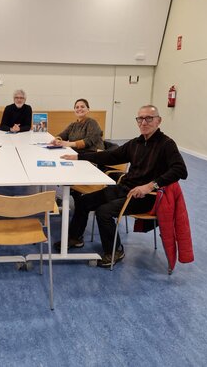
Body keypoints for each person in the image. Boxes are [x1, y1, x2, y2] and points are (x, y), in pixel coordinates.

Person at [55, 104, 188, 268]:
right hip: (125, 189)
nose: (144, 122)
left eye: (149, 118)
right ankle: (75, 238)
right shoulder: (135, 143)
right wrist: (79, 157)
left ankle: (115, 251)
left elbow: (180, 170)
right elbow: (110, 156)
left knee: (103, 212)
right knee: (84, 201)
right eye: (140, 119)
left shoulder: (166, 144)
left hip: (146, 197)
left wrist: (150, 186)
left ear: (158, 121)